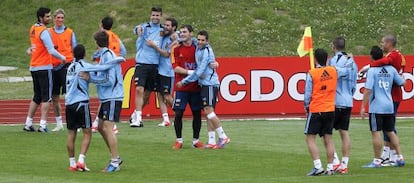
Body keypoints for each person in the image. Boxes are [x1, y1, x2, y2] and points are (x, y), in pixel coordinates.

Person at [177, 30, 230, 149]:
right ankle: (211, 141)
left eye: (203, 40)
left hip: (210, 84)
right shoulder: (198, 45)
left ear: (207, 41)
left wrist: (184, 81)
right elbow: (187, 39)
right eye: (199, 39)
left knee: (208, 111)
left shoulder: (206, 51)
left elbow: (200, 71)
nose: (200, 42)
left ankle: (223, 136)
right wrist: (179, 35)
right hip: (204, 84)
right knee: (208, 113)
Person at [358, 34, 406, 166]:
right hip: (389, 102)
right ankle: (396, 156)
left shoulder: (391, 57)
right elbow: (402, 82)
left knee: (377, 132)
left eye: (383, 42)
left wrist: (370, 66)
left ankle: (381, 159)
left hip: (380, 104)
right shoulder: (392, 67)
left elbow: (368, 89)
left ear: (389, 43)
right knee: (390, 130)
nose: (382, 44)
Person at [303, 48, 351, 176]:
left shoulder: (312, 73)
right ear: (328, 58)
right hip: (330, 108)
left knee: (310, 138)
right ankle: (330, 167)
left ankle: (318, 166)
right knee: (329, 138)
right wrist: (349, 59)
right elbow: (347, 71)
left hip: (317, 108)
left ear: (315, 59)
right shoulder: (334, 71)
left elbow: (307, 94)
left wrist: (306, 107)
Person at [23, 7, 66, 133]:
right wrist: (62, 57)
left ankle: (28, 123)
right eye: (47, 16)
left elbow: (33, 46)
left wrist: (30, 51)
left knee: (37, 96)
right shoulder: (44, 31)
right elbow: (51, 49)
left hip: (34, 66)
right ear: (41, 17)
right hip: (44, 66)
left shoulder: (33, 28)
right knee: (47, 97)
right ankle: (43, 125)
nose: (50, 18)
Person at [90, 30, 124, 172]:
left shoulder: (108, 56)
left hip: (113, 97)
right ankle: (114, 155)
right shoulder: (104, 55)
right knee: (100, 127)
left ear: (97, 42)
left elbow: (109, 80)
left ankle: (115, 162)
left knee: (108, 128)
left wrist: (91, 78)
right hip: (106, 98)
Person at [91, 16, 127, 134]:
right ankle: (99, 122)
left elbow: (99, 53)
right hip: (114, 65)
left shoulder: (102, 36)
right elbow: (123, 51)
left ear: (101, 24)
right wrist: (117, 58)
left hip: (107, 68)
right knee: (105, 97)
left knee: (108, 93)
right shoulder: (115, 37)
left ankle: (110, 125)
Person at [170, 24, 204, 149]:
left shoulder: (198, 48)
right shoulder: (176, 49)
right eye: (181, 32)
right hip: (181, 87)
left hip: (196, 87)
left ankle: (196, 140)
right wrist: (192, 73)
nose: (182, 34)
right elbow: (175, 68)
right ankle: (179, 140)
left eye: (184, 32)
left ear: (191, 34)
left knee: (197, 113)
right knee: (178, 113)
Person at [327, 37, 357, 174]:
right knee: (344, 132)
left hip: (335, 101)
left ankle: (335, 161)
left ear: (334, 46)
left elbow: (331, 75)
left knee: (326, 133)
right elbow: (354, 81)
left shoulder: (333, 61)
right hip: (348, 101)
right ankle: (344, 164)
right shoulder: (352, 62)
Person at [130, 6, 164, 128]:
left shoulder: (163, 30)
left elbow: (174, 34)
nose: (155, 17)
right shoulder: (144, 27)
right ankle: (138, 119)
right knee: (139, 89)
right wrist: (138, 29)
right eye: (153, 15)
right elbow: (136, 29)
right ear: (150, 16)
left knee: (147, 94)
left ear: (161, 16)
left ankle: (135, 113)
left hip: (155, 64)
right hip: (142, 63)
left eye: (157, 15)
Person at [146, 17, 178, 127]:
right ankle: (166, 119)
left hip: (168, 71)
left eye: (168, 25)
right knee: (159, 94)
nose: (165, 27)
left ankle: (179, 114)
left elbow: (166, 54)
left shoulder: (175, 39)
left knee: (167, 96)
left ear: (173, 27)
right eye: (165, 24)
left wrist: (154, 46)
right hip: (159, 69)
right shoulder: (164, 36)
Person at [48, 8, 77, 132]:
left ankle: (74, 121)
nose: (60, 20)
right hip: (53, 66)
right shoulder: (49, 32)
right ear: (54, 18)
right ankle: (59, 122)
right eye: (58, 17)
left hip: (67, 65)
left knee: (69, 95)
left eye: (62, 18)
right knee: (54, 96)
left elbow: (75, 48)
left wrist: (75, 63)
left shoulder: (70, 32)